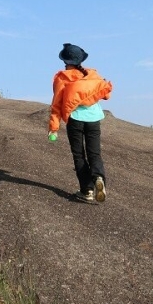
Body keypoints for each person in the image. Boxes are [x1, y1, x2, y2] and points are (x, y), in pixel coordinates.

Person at [49, 43, 113, 203]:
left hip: (75, 119)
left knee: (79, 155)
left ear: (65, 60)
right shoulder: (92, 74)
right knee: (94, 153)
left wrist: (53, 128)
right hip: (94, 118)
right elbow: (104, 94)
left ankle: (87, 190)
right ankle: (98, 177)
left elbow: (57, 104)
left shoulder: (62, 77)